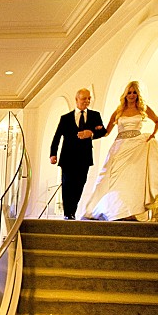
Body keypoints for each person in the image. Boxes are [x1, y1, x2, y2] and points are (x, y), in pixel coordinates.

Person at [81, 81, 158, 221]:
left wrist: (153, 134)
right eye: (129, 92)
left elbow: (157, 121)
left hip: (137, 147)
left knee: (133, 181)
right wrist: (92, 134)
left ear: (138, 94)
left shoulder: (143, 108)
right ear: (125, 94)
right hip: (119, 148)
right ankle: (114, 210)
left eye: (134, 92)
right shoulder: (118, 111)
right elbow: (106, 132)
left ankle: (131, 211)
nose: (131, 95)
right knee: (111, 180)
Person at [49, 88, 107, 219]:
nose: (87, 101)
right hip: (67, 157)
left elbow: (103, 131)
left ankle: (72, 210)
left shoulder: (95, 115)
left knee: (79, 184)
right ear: (77, 99)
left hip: (84, 158)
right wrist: (53, 154)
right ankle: (68, 213)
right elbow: (57, 136)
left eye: (88, 98)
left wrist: (91, 133)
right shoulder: (65, 118)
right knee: (67, 184)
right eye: (84, 98)